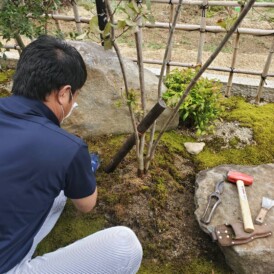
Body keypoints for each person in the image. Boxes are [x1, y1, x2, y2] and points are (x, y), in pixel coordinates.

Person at [0, 35, 143, 274]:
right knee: (124, 245)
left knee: (56, 194)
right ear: (64, 94)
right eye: (76, 95)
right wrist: (80, 168)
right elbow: (86, 204)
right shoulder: (67, 148)